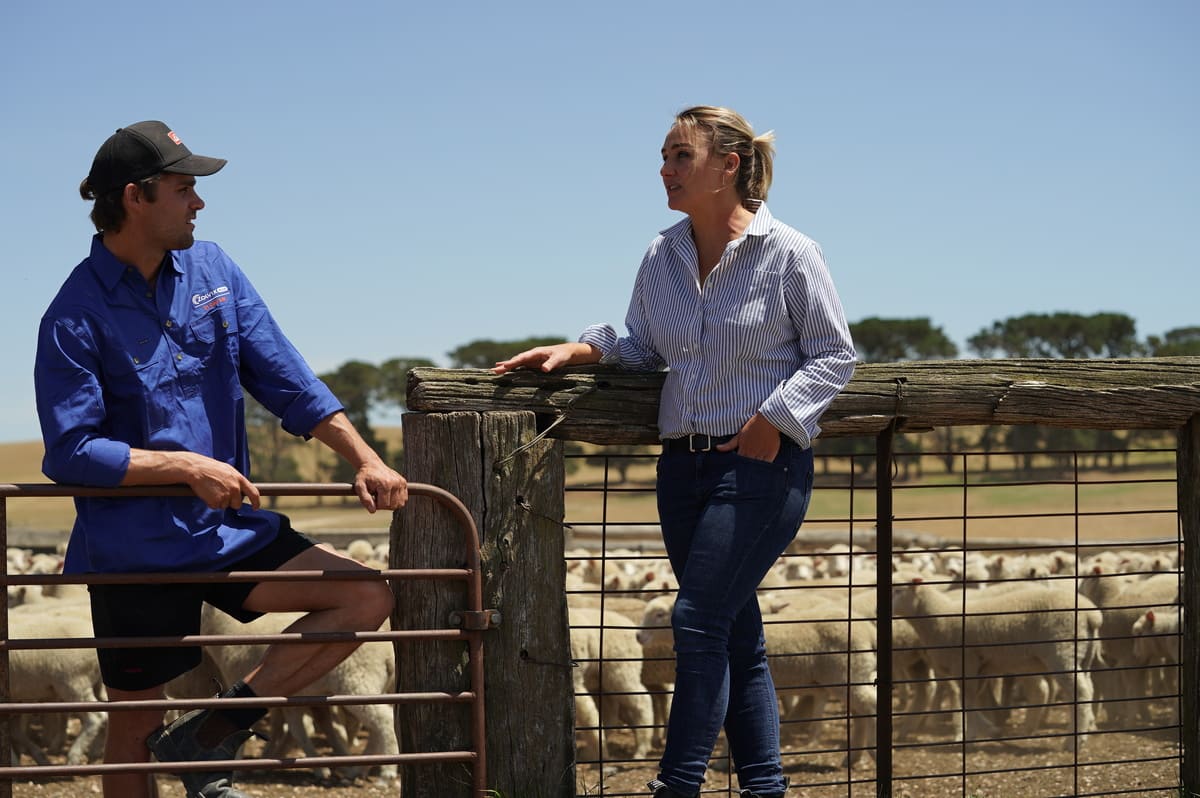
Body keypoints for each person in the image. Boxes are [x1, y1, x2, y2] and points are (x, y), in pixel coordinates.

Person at [34, 120, 408, 798]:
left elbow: (283, 375)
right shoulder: (74, 314)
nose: (199, 204)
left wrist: (363, 457)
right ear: (135, 198)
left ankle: (215, 729)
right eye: (184, 189)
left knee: (365, 593)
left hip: (225, 531)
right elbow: (71, 450)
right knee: (134, 726)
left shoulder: (214, 270)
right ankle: (185, 741)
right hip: (133, 551)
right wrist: (184, 467)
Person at [493, 106, 856, 797]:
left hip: (758, 468)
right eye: (663, 156)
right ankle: (765, 788)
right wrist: (584, 347)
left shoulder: (791, 253)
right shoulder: (661, 254)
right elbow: (642, 347)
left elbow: (834, 357)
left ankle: (677, 786)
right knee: (734, 633)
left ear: (729, 166)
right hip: (679, 469)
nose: (664, 169)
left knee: (694, 621)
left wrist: (772, 421)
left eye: (679, 156)